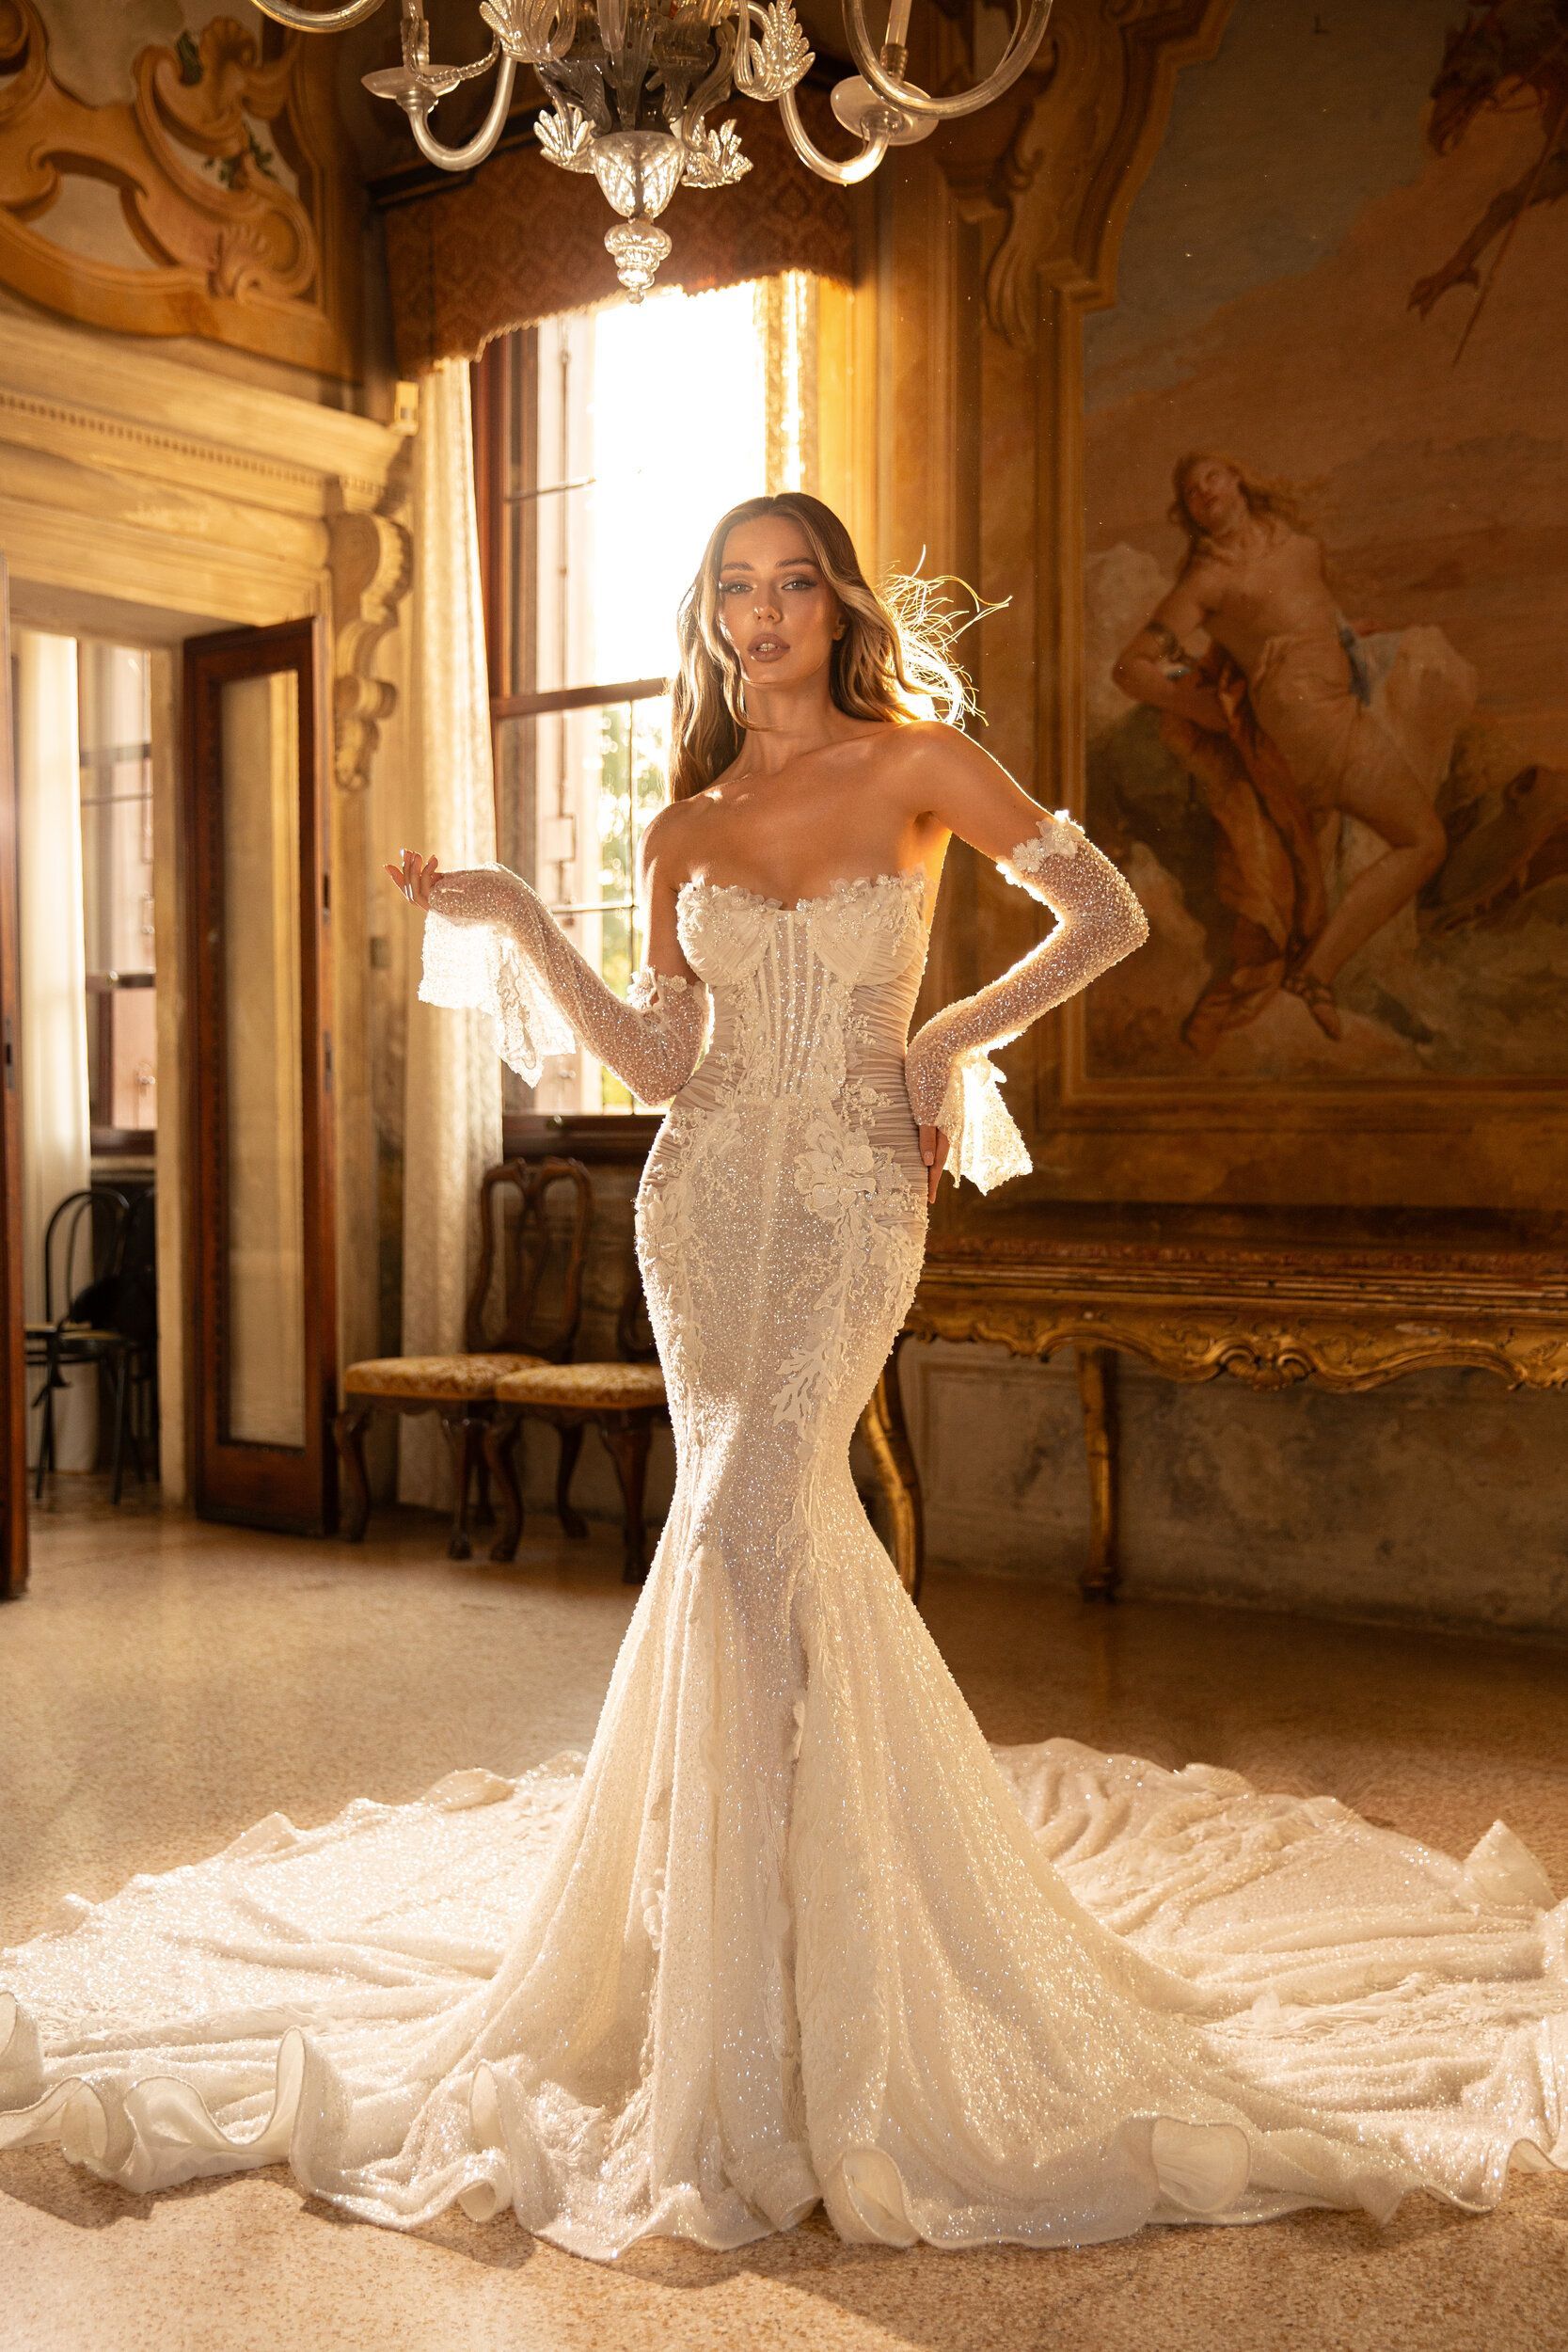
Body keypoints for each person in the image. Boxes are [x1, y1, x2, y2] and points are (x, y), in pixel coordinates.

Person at [1, 496, 1562, 2261]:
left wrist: (939, 1043)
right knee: (744, 1548)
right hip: (700, 1208)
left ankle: (815, 1976)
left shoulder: (922, 764)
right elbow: (667, 1060)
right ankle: (748, 1945)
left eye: (790, 582)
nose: (761, 613)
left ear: (834, 604)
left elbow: (1106, 913)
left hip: (840, 1202)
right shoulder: (680, 824)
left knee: (755, 1523)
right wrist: (515, 906)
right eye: (733, 589)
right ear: (713, 616)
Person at [1113, 453, 1450, 1044]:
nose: (1203, 491)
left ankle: (1317, 973)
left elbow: (1308, 612)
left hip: (1342, 719)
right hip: (1310, 740)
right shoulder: (1207, 579)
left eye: (1211, 477)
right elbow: (1132, 669)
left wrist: (1346, 635)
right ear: (1187, 511)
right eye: (1190, 491)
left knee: (1416, 843)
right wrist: (1219, 712)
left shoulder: (1299, 547)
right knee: (1424, 841)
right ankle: (1317, 973)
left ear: (1238, 478)